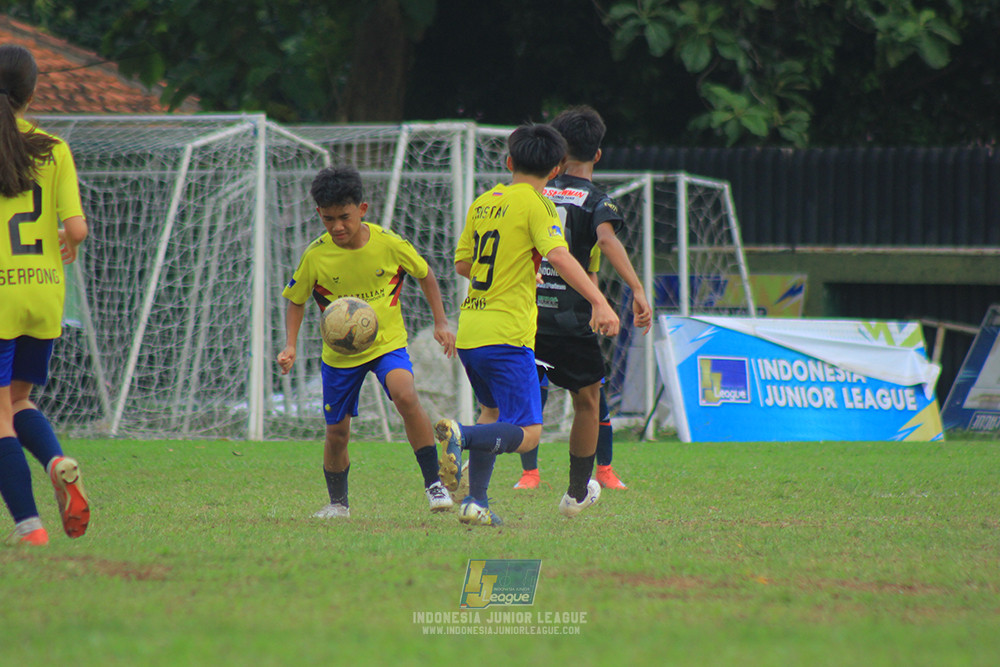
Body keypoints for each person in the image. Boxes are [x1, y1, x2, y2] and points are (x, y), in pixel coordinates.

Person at [435, 123, 620, 527]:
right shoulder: (539, 204)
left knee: (493, 412)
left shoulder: (484, 201)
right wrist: (599, 300)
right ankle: (461, 436)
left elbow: (464, 263)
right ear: (556, 169)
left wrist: (520, 270)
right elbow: (560, 255)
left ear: (508, 161)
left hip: (471, 330)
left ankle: (475, 502)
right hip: (507, 335)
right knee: (528, 434)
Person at [277, 166, 457, 518]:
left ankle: (434, 484)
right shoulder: (316, 255)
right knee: (337, 433)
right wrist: (291, 346)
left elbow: (425, 274)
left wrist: (440, 322)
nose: (337, 226)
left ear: (362, 209)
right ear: (319, 215)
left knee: (406, 395)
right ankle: (337, 504)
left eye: (344, 217)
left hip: (386, 343)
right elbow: (296, 299)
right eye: (328, 219)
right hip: (341, 354)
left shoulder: (389, 244)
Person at [514, 105, 653, 492]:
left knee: (524, 399)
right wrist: (636, 291)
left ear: (557, 152)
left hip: (526, 312)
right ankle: (581, 486)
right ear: (597, 155)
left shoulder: (531, 192)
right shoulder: (595, 200)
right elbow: (606, 241)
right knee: (589, 398)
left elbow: (587, 256)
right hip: (570, 317)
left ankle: (520, 472)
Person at [0, 44, 91, 546]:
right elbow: (75, 227)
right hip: (45, 294)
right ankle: (57, 461)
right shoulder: (54, 147)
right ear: (32, 93)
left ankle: (29, 527)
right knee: (18, 400)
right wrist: (68, 242)